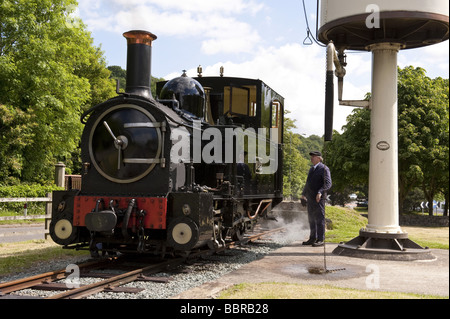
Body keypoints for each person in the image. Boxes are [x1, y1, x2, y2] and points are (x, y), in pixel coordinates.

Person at [301, 151, 332, 247]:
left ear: (319, 158)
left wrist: (320, 192)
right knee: (311, 219)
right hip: (310, 198)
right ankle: (312, 238)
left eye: (313, 156)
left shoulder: (324, 169)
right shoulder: (311, 169)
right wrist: (303, 195)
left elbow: (328, 183)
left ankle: (320, 239)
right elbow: (308, 183)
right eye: (311, 156)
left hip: (319, 198)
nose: (311, 158)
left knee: (319, 219)